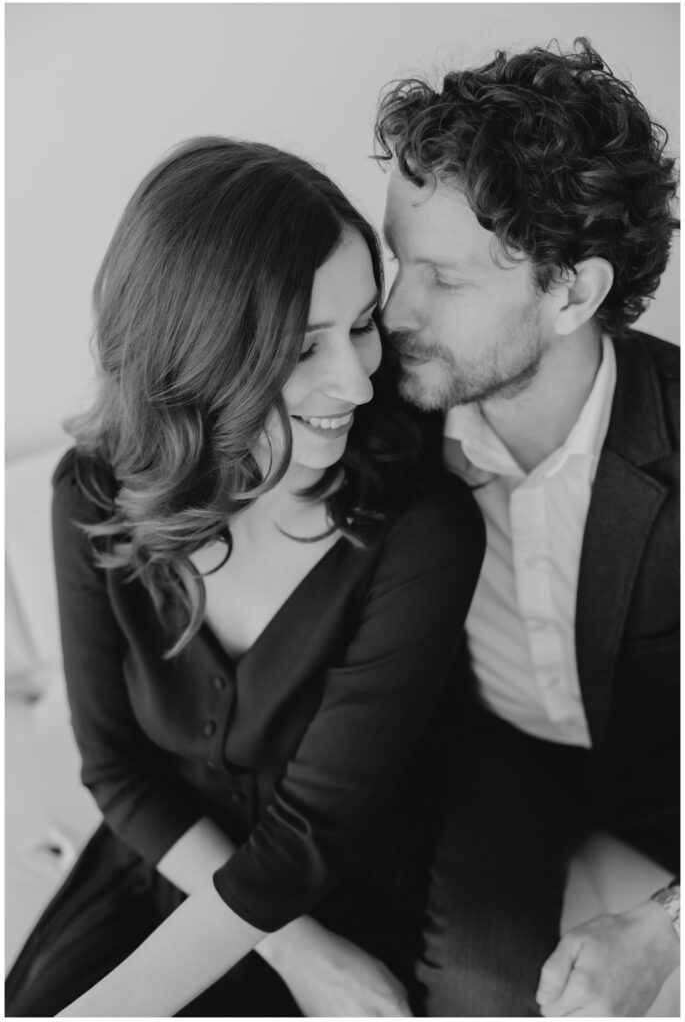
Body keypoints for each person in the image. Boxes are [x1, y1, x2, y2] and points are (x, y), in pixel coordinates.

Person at [4, 137, 485, 1017]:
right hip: (166, 859)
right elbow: (115, 769)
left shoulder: (421, 533)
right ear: (195, 356)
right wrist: (302, 959)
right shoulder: (92, 494)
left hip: (336, 874)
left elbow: (309, 840)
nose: (353, 378)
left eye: (361, 325)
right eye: (302, 348)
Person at [374, 38, 679, 1017]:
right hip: (495, 753)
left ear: (572, 292)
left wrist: (664, 929)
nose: (390, 313)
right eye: (396, 263)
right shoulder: (376, 410)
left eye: (444, 281)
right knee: (482, 991)